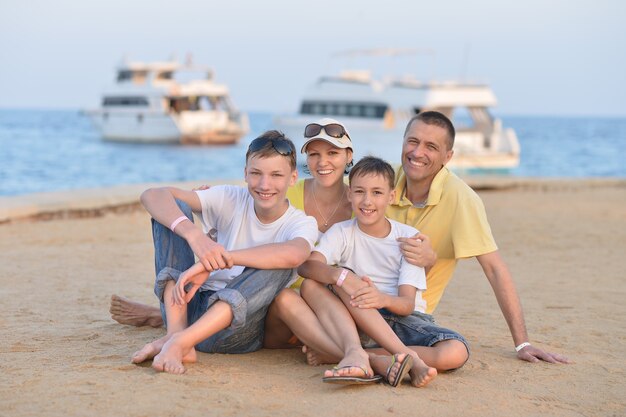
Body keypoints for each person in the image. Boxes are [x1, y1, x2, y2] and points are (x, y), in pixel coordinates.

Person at [129, 130, 319, 374]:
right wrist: (194, 235)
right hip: (187, 308)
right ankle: (176, 336)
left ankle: (180, 341)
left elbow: (295, 254)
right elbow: (153, 195)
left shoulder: (301, 223)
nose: (264, 185)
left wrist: (214, 261)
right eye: (256, 173)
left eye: (276, 175)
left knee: (283, 263)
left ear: (292, 178)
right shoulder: (231, 197)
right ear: (245, 174)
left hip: (234, 328)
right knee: (172, 211)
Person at [389, 111, 569, 364]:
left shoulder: (462, 199)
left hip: (408, 315)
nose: (418, 152)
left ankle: (358, 353)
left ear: (447, 156)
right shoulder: (381, 181)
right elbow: (329, 198)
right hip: (357, 301)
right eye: (413, 141)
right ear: (403, 141)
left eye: (431, 146)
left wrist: (523, 342)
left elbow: (494, 269)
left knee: (453, 353)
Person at [298, 156, 440, 387]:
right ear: (349, 194)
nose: (367, 201)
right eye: (359, 192)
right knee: (317, 283)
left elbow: (407, 305)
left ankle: (343, 354)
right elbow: (306, 266)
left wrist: (381, 298)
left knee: (456, 352)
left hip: (402, 321)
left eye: (377, 193)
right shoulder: (342, 232)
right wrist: (341, 275)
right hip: (360, 319)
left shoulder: (407, 238)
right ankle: (405, 358)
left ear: (391, 196)